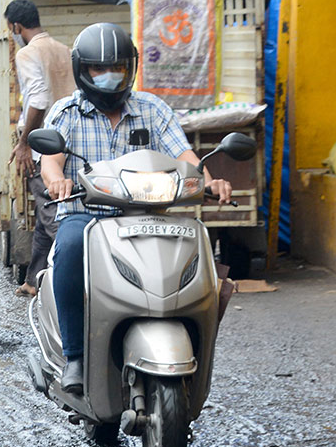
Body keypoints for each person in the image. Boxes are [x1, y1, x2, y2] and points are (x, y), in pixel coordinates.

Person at [41, 23, 231, 395]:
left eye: (118, 68)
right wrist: (57, 180)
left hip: (149, 217)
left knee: (197, 250)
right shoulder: (66, 112)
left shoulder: (152, 108)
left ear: (131, 68)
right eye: (98, 69)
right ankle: (76, 356)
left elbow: (184, 155)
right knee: (69, 247)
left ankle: (192, 343)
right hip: (87, 216)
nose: (109, 76)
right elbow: (51, 160)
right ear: (83, 70)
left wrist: (209, 180)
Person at [6, 0, 76, 297]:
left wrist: (24, 143)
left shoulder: (27, 53)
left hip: (45, 147)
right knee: (46, 209)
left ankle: (72, 276)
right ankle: (33, 279)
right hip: (73, 142)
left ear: (16, 27)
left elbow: (39, 99)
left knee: (51, 213)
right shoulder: (64, 49)